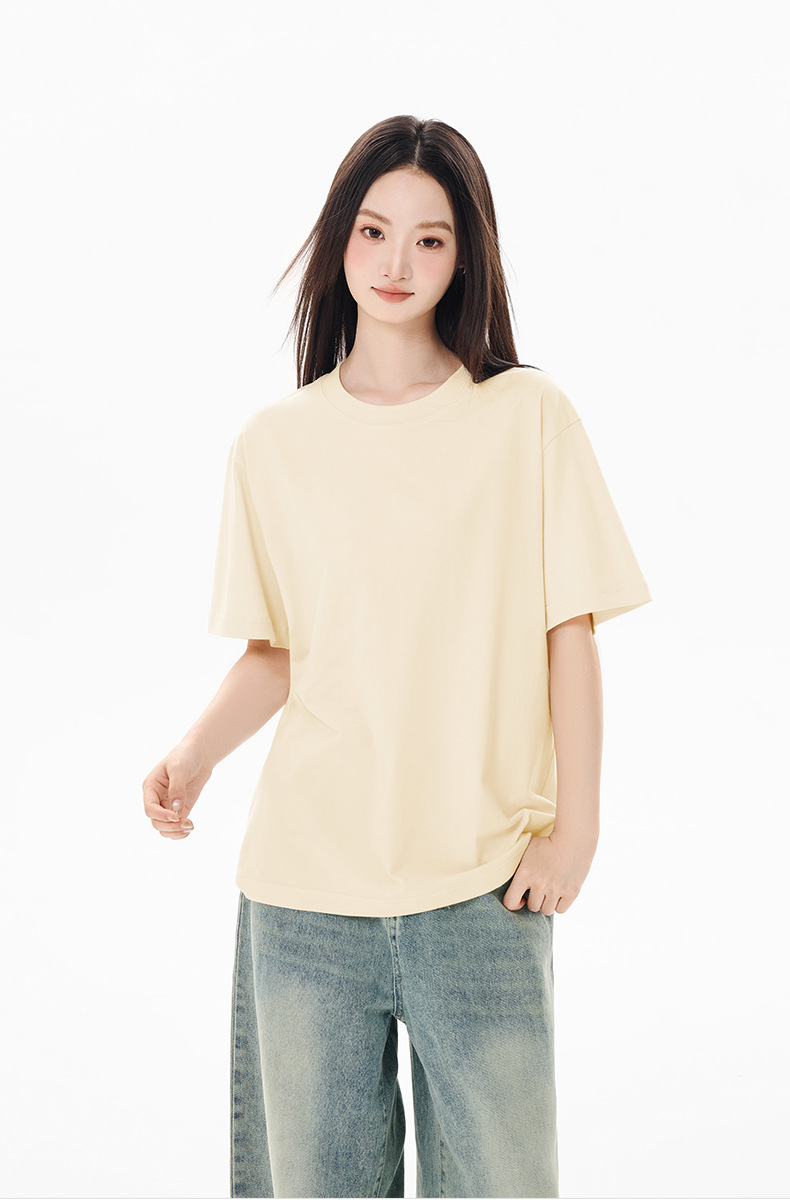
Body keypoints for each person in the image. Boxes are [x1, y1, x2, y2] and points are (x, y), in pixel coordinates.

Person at [142, 114, 652, 1199]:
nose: (396, 262)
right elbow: (280, 651)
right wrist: (194, 754)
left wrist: (577, 829)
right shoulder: (274, 445)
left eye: (430, 238)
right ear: (340, 238)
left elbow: (569, 633)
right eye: (374, 231)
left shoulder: (527, 418)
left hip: (485, 890)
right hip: (303, 898)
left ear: (466, 255)